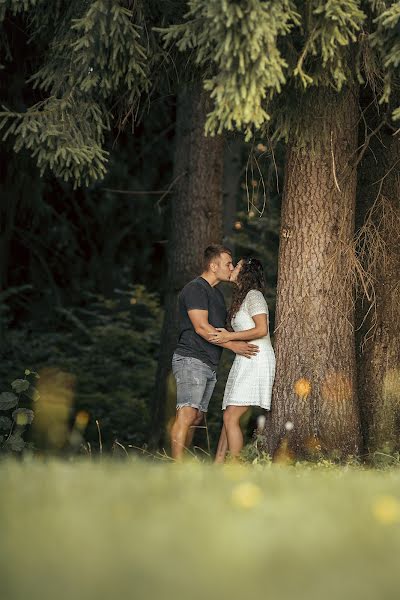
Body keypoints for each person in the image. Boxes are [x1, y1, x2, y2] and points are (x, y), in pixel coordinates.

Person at [170, 245, 260, 460]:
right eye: (228, 264)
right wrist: (233, 346)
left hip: (208, 363)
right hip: (191, 358)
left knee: (196, 417)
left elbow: (222, 330)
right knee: (187, 413)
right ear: (213, 265)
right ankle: (175, 467)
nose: (231, 268)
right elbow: (201, 327)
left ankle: (181, 463)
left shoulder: (217, 296)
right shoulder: (195, 289)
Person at [209, 258, 275, 462]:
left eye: (236, 266)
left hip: (256, 357)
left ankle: (235, 466)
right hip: (246, 358)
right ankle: (219, 465)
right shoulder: (243, 297)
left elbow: (262, 330)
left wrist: (228, 336)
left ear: (245, 272)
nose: (232, 268)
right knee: (229, 414)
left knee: (231, 417)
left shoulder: (254, 296)